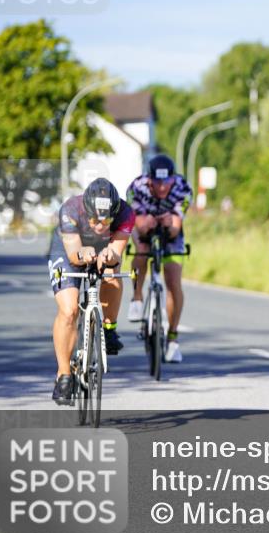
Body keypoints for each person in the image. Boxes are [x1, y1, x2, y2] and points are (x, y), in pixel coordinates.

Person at [48, 177, 135, 405]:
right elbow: (73, 254)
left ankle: (109, 328)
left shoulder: (126, 213)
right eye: (95, 219)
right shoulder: (70, 209)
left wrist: (109, 256)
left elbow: (116, 250)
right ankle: (64, 375)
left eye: (107, 220)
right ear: (86, 210)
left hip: (103, 246)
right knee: (68, 310)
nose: (99, 225)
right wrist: (83, 254)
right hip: (69, 246)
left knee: (112, 274)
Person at [125, 154, 192, 363]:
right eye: (157, 182)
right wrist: (148, 223)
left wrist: (167, 223)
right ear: (149, 179)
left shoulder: (183, 188)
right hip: (143, 224)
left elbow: (175, 229)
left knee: (173, 280)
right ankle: (137, 297)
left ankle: (172, 339)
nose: (162, 187)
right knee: (142, 249)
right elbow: (139, 224)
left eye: (167, 182)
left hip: (169, 227)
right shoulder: (137, 188)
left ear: (173, 179)